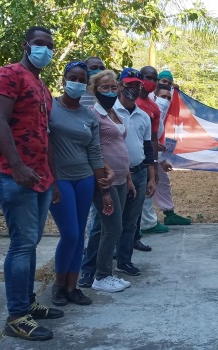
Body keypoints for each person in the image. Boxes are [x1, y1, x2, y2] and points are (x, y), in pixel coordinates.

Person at [0, 26, 63, 341]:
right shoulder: (8, 75)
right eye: (40, 44)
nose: (45, 50)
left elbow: (45, 135)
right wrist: (16, 165)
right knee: (21, 244)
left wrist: (53, 179)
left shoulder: (42, 87)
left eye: (50, 46)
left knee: (30, 244)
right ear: (26, 45)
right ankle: (17, 317)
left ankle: (28, 303)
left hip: (40, 176)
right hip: (12, 172)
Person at [48, 61, 113, 307]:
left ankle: (72, 287)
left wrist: (103, 188)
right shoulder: (50, 107)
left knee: (80, 234)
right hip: (59, 179)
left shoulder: (89, 115)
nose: (75, 82)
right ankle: (58, 285)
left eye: (81, 79)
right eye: (71, 78)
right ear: (64, 80)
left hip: (84, 179)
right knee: (70, 234)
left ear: (86, 84)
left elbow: (94, 152)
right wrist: (51, 182)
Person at [79, 69, 134, 292]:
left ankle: (102, 272)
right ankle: (101, 275)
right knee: (112, 228)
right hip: (105, 179)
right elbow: (92, 148)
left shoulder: (114, 113)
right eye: (105, 88)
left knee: (111, 227)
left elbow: (121, 146)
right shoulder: (93, 113)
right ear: (94, 90)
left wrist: (129, 178)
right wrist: (104, 174)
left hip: (121, 179)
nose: (110, 91)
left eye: (113, 87)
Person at [114, 68, 155, 276]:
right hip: (116, 175)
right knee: (110, 222)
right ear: (120, 85)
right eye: (128, 84)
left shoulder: (144, 116)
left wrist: (151, 178)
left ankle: (124, 260)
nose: (132, 89)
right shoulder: (109, 112)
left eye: (136, 85)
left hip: (138, 173)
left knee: (131, 221)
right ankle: (99, 264)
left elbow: (148, 149)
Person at [149, 80, 191, 226]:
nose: (166, 101)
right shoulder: (147, 110)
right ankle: (145, 223)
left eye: (168, 98)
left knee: (163, 181)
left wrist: (161, 161)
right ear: (154, 97)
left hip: (156, 155)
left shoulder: (162, 113)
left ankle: (169, 213)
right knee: (147, 186)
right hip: (145, 158)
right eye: (163, 97)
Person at [132, 65, 162, 252]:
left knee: (136, 207)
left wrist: (154, 167)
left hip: (142, 164)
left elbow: (152, 140)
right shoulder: (128, 100)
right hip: (122, 165)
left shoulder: (154, 108)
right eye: (146, 77)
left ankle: (134, 239)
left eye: (153, 78)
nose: (149, 81)